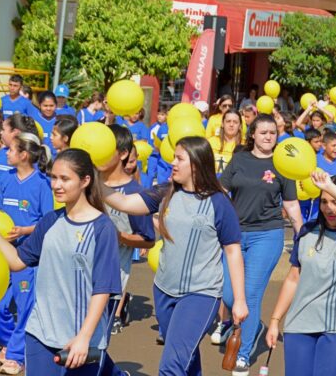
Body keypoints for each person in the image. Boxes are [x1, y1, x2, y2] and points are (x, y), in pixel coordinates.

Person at [104, 136, 249, 376]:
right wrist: (90, 180)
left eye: (179, 158)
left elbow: (233, 251)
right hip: (163, 290)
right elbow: (125, 202)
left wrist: (240, 300)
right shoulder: (166, 191)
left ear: (196, 164)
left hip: (201, 294)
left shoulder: (219, 203)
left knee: (171, 365)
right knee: (185, 355)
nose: (173, 162)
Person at [0, 148, 122, 375]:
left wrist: (84, 337)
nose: (56, 185)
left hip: (80, 340)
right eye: (53, 177)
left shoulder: (102, 228)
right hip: (40, 334)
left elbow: (103, 289)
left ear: (85, 181)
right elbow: (17, 261)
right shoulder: (50, 221)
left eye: (65, 179)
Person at [216, 114, 304, 376]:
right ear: (252, 134)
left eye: (273, 133)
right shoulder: (240, 159)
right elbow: (220, 190)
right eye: (263, 132)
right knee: (231, 295)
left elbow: (291, 206)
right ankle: (250, 325)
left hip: (267, 235)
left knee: (250, 295)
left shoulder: (283, 164)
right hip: (234, 235)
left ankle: (242, 354)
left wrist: (302, 237)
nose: (268, 137)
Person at [265, 171, 336, 376]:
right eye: (324, 202)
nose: (329, 209)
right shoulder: (308, 231)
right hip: (299, 326)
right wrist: (275, 320)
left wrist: (329, 186)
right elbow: (293, 278)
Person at [0, 132, 54, 375]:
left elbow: (49, 221)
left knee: (25, 306)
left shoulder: (43, 184)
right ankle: (10, 341)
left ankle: (16, 355)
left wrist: (25, 230)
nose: (6, 153)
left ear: (23, 155)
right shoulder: (4, 179)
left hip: (28, 255)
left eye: (11, 150)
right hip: (1, 253)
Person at [100, 125, 156, 335]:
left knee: (96, 345)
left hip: (110, 284)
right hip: (77, 278)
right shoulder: (86, 183)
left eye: (106, 148)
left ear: (123, 153)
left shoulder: (135, 193)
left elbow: (148, 240)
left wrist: (120, 237)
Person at [208, 109, 243, 176]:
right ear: (222, 124)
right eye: (228, 121)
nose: (231, 124)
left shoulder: (244, 147)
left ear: (240, 126)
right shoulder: (210, 143)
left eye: (235, 122)